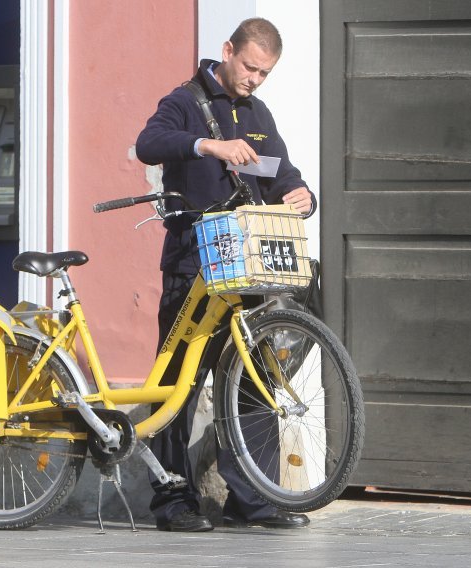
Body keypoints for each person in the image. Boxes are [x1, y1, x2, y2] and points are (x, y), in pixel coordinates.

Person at [135, 18, 317, 532]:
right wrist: (209, 146)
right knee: (179, 383)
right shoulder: (185, 101)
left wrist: (303, 195)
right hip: (192, 265)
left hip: (247, 268)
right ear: (228, 51)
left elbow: (282, 173)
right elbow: (149, 143)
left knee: (254, 385)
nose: (255, 80)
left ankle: (253, 501)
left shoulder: (258, 111)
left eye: (265, 73)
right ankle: (173, 502)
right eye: (250, 67)